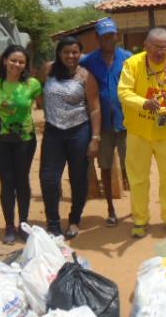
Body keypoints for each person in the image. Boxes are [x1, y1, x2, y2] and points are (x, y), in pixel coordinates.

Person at [118, 28, 166, 238]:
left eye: (164, 47)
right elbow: (124, 92)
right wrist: (144, 103)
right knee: (138, 179)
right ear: (146, 45)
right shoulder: (132, 64)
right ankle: (140, 220)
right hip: (138, 132)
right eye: (155, 47)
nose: (159, 52)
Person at [39, 36, 101, 239]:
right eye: (66, 52)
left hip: (78, 131)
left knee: (78, 177)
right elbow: (39, 94)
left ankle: (74, 220)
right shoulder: (48, 70)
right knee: (48, 178)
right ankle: (53, 223)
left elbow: (94, 109)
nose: (71, 56)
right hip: (53, 131)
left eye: (75, 52)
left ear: (80, 54)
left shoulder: (85, 76)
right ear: (59, 53)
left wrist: (95, 137)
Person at [0, 45, 42, 244]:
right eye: (13, 60)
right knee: (7, 183)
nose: (17, 64)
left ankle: (23, 224)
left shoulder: (32, 84)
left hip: (25, 140)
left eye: (21, 62)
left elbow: (42, 104)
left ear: (26, 65)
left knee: (22, 181)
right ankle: (9, 226)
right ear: (4, 60)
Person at [80, 17, 132, 226]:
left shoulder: (129, 59)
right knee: (106, 166)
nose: (108, 40)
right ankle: (110, 209)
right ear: (97, 38)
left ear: (117, 36)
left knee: (133, 167)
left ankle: (137, 209)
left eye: (111, 35)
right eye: (104, 36)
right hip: (103, 126)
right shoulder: (89, 61)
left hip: (127, 123)